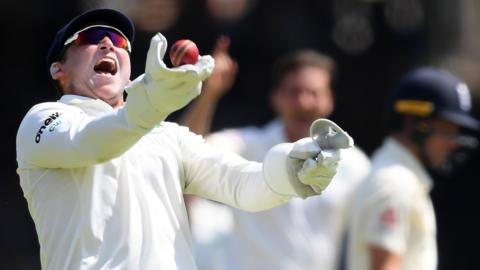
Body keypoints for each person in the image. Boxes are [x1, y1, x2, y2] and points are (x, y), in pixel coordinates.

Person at [15, 8, 355, 270]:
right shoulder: (45, 120)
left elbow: (241, 184)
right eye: (92, 37)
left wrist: (292, 169)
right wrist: (153, 102)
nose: (108, 43)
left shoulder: (165, 135)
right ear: (58, 69)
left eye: (120, 43)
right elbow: (93, 144)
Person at [181, 45, 371, 270]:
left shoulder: (355, 164)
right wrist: (209, 95)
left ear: (329, 100)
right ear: (276, 98)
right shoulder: (247, 145)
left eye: (314, 93)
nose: (304, 103)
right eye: (294, 92)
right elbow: (187, 153)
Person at [346, 67, 480, 270]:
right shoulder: (395, 183)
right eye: (447, 129)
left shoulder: (401, 178)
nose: (453, 143)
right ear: (415, 123)